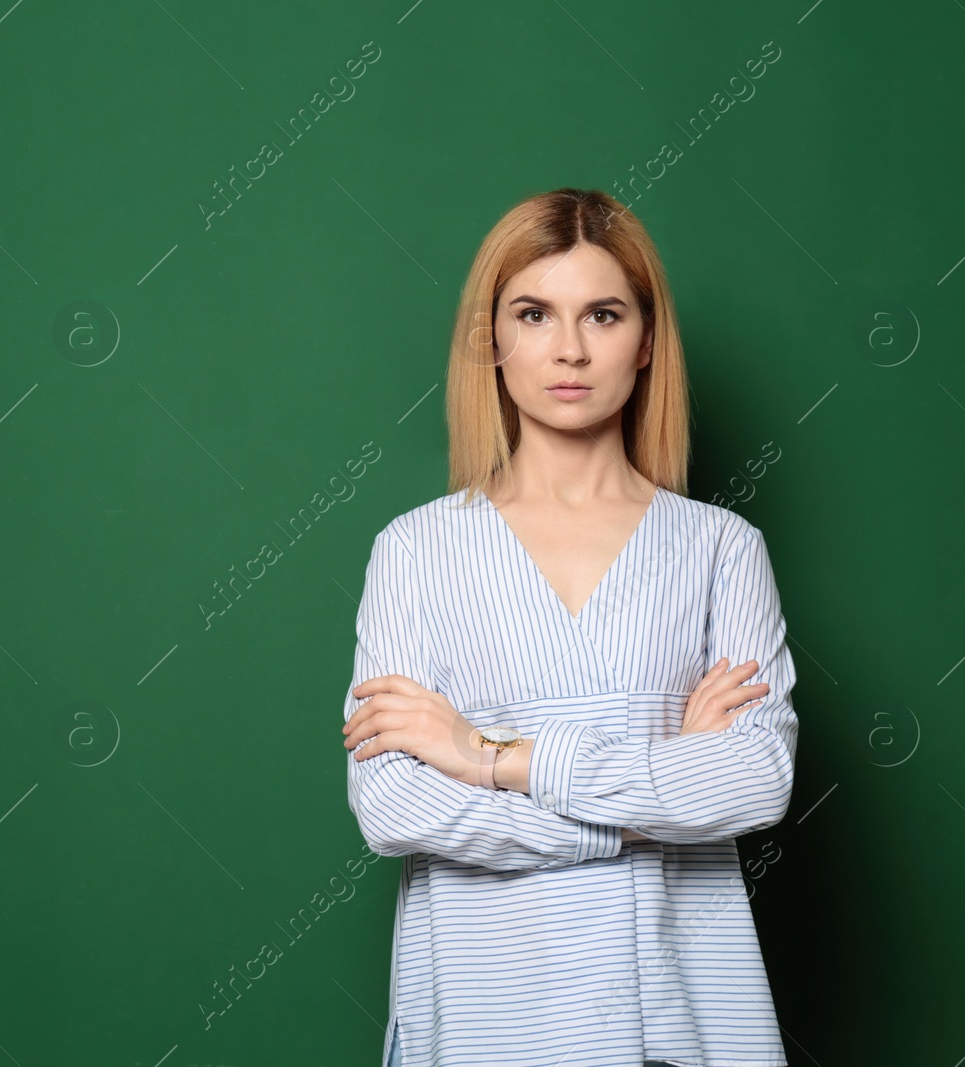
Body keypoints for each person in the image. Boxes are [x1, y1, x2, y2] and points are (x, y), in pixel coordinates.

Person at [340, 187, 798, 1067]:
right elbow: (392, 802)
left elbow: (753, 781)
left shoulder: (720, 549)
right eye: (534, 313)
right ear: (493, 341)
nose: (571, 348)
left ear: (648, 339)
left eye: (603, 313)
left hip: (684, 1014)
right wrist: (658, 798)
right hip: (481, 1017)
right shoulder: (415, 550)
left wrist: (488, 756)